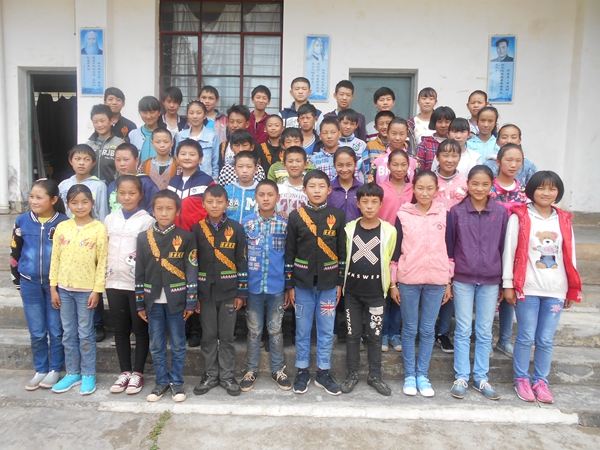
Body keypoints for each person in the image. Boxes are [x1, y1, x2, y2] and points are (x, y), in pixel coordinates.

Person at [503, 171, 581, 404]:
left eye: (552, 188)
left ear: (558, 192)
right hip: (527, 288)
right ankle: (521, 379)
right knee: (526, 336)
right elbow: (510, 251)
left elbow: (570, 255)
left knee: (546, 339)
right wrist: (508, 284)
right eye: (541, 188)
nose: (546, 193)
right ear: (532, 191)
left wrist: (572, 288)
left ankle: (541, 381)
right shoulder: (520, 216)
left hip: (556, 289)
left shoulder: (563, 219)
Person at [391, 170, 453, 398]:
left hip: (436, 281)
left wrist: (448, 281)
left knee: (427, 330)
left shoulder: (445, 214)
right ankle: (409, 375)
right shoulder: (403, 215)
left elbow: (449, 249)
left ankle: (422, 375)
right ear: (413, 189)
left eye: (429, 188)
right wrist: (393, 283)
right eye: (420, 188)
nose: (425, 193)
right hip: (408, 279)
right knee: (409, 329)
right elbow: (395, 251)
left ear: (437, 190)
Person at [285, 170, 346, 396]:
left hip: (329, 283)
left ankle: (323, 371)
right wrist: (290, 285)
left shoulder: (337, 216)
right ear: (304, 190)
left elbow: (341, 251)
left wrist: (340, 282)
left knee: (326, 329)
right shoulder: (296, 217)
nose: (317, 190)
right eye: (312, 186)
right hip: (302, 283)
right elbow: (290, 251)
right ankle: (302, 370)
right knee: (302, 329)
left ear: (329, 190)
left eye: (322, 186)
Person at [450, 165, 508, 401]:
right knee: (463, 329)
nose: (479, 188)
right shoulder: (457, 212)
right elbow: (451, 246)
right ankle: (461, 376)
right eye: (475, 183)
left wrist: (503, 282)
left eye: (485, 184)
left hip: (491, 279)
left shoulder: (500, 213)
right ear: (467, 185)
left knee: (484, 330)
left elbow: (504, 247)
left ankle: (481, 377)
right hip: (463, 277)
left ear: (492, 185)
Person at [135, 189, 198, 403]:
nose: (164, 213)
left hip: (177, 300)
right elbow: (140, 271)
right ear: (152, 211)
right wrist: (139, 303)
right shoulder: (143, 238)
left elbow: (191, 269)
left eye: (169, 208)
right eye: (159, 208)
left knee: (179, 343)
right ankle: (161, 382)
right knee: (156, 344)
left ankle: (176, 382)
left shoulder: (186, 237)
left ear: (177, 211)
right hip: (152, 301)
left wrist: (191, 300)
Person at [10, 180, 69, 391]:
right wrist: (18, 282)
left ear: (53, 200)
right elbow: (15, 253)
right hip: (29, 283)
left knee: (56, 330)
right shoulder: (22, 221)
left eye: (39, 197)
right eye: (32, 197)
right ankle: (41, 369)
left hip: (55, 286)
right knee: (36, 331)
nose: (34, 201)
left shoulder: (63, 223)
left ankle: (55, 369)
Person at [340, 183, 398, 396]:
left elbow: (391, 260)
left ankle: (375, 375)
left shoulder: (389, 231)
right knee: (352, 334)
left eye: (374, 202)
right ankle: (352, 373)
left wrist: (392, 285)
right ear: (358, 204)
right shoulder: (349, 229)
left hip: (376, 294)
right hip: (352, 293)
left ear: (381, 204)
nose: (370, 206)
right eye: (365, 201)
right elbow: (344, 257)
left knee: (375, 336)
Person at [49, 184, 108, 396]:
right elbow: (55, 258)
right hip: (64, 289)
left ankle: (88, 374)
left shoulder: (98, 228)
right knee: (68, 333)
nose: (80, 206)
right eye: (74, 202)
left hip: (86, 291)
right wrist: (53, 287)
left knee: (85, 333)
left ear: (92, 203)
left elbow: (102, 262)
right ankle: (72, 372)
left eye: (84, 202)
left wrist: (97, 290)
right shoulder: (63, 227)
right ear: (67, 204)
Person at [191, 184, 248, 397]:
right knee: (208, 334)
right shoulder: (196, 230)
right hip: (205, 292)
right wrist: (194, 295)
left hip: (229, 291)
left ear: (227, 204)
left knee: (226, 335)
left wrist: (241, 293)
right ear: (203, 204)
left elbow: (242, 261)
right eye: (210, 201)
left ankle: (227, 376)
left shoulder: (236, 228)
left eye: (219, 201)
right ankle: (210, 374)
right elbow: (192, 264)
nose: (214, 205)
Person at [240, 180, 292, 392]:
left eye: (270, 194)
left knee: (275, 330)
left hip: (276, 287)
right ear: (255, 197)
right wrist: (241, 287)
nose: (266, 198)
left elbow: (288, 256)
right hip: (253, 287)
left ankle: (278, 369)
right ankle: (251, 370)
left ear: (278, 197)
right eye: (261, 194)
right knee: (254, 331)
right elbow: (241, 257)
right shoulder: (247, 223)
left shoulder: (285, 224)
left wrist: (288, 285)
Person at [105, 175, 155, 395]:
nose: (127, 197)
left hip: (136, 284)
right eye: (122, 193)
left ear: (140, 195)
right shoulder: (109, 220)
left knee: (140, 329)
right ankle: (124, 371)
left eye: (132, 193)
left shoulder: (147, 221)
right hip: (113, 282)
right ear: (116, 194)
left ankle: (138, 372)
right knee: (120, 330)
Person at [489, 144, 528, 358]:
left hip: (513, 250)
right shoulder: (488, 188)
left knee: (508, 293)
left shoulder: (523, 193)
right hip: (489, 248)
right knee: (488, 294)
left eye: (518, 161)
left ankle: (504, 339)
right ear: (498, 161)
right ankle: (484, 338)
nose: (513, 164)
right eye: (508, 160)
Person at [378, 150, 413, 353]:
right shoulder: (381, 189)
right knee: (384, 289)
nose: (399, 169)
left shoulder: (414, 189)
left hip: (408, 245)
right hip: (385, 244)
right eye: (395, 164)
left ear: (408, 166)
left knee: (400, 289)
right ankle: (383, 333)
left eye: (403, 165)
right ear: (388, 166)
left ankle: (394, 333)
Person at [328, 148, 363, 344]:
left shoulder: (362, 189)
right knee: (333, 290)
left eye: (349, 164)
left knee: (354, 290)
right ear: (334, 166)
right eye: (340, 165)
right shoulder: (329, 190)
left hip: (358, 247)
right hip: (333, 246)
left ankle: (355, 333)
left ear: (355, 165)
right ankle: (332, 331)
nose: (344, 169)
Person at [168, 139, 215, 231]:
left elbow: (212, 209)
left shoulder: (206, 181)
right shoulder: (173, 182)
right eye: (183, 154)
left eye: (192, 154)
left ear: (200, 159)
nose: (187, 158)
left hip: (200, 233)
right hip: (175, 234)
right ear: (177, 158)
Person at [59, 144, 108, 222]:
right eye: (77, 159)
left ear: (93, 163)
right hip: (68, 227)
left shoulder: (99, 186)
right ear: (70, 161)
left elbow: (102, 212)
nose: (81, 163)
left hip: (92, 227)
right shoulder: (63, 185)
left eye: (87, 159)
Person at [107, 143, 159, 214]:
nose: (122, 164)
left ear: (136, 161)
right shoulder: (112, 185)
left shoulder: (146, 183)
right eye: (118, 160)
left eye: (126, 159)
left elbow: (153, 208)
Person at [176, 100, 219, 179]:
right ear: (187, 115)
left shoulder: (212, 136)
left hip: (206, 180)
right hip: (184, 178)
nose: (195, 116)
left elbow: (215, 164)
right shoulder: (180, 136)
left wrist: (214, 181)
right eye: (191, 113)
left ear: (204, 115)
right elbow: (177, 161)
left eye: (199, 113)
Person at [86, 104, 125, 185]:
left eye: (102, 121)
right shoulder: (88, 145)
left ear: (111, 121)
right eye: (95, 122)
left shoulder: (120, 144)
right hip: (91, 189)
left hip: (112, 188)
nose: (99, 125)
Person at [370, 118, 417, 185]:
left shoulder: (415, 161)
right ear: (387, 133)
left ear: (407, 135)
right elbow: (371, 187)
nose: (397, 138)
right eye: (394, 134)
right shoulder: (377, 160)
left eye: (402, 134)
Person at [416, 106, 456, 171]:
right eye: (439, 122)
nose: (443, 125)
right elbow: (419, 170)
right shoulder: (424, 145)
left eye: (447, 122)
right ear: (434, 123)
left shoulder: (456, 144)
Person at [224, 151, 259, 223]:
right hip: (230, 229)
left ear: (256, 169)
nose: (244, 171)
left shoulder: (261, 191)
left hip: (254, 229)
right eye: (240, 167)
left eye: (249, 167)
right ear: (235, 169)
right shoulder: (227, 190)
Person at [277, 146, 310, 216]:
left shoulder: (310, 190)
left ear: (305, 164)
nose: (294, 165)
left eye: (298, 161)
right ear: (284, 165)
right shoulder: (278, 189)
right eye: (290, 161)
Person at [218, 104, 252, 173]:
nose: (235, 125)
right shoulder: (223, 145)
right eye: (231, 122)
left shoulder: (252, 145)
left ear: (247, 124)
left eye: (239, 122)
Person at [128, 96, 162, 163]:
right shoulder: (133, 135)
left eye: (152, 112)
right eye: (144, 112)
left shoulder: (169, 135)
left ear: (159, 112)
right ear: (139, 112)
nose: (148, 116)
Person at [337, 109, 368, 181]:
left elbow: (366, 168)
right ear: (338, 122)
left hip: (358, 183)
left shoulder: (361, 144)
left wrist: (367, 184)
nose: (348, 127)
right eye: (345, 123)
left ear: (356, 125)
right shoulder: (334, 143)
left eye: (352, 124)